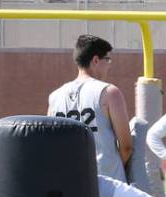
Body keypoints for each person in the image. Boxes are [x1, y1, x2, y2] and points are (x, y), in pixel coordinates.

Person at [48, 34, 132, 182]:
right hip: (106, 180)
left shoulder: (55, 96)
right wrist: (115, 168)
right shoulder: (109, 92)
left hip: (68, 179)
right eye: (107, 60)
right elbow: (126, 147)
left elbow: (51, 143)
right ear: (95, 60)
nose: (109, 65)